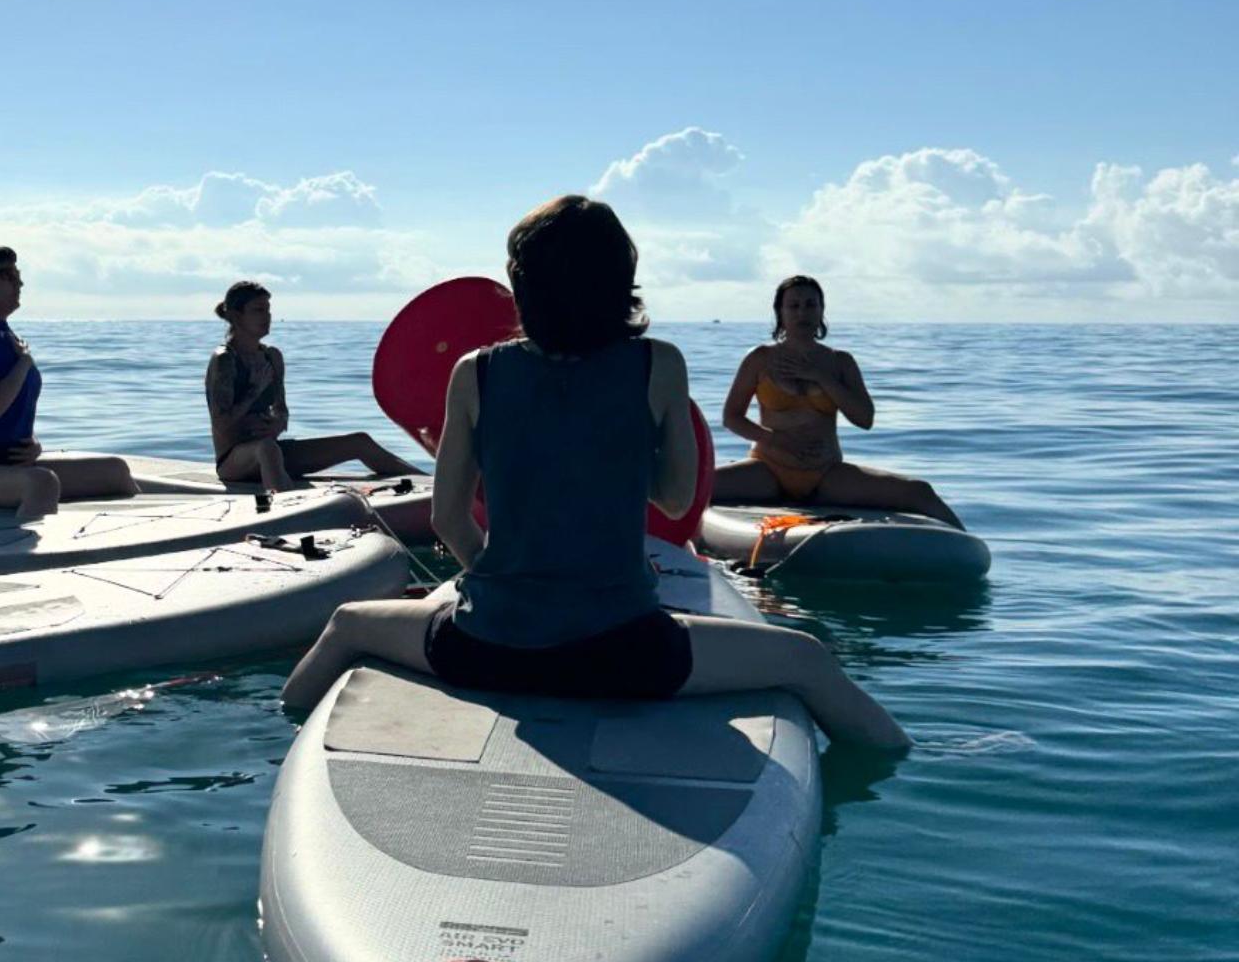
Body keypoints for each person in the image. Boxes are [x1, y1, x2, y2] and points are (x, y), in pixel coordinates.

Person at [279, 196, 909, 751]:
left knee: (347, 626)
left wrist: (500, 585)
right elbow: (674, 496)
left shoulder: (474, 370)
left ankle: (282, 747)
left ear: (521, 282)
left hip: (486, 646)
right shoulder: (658, 364)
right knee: (807, 661)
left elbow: (448, 519)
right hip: (626, 653)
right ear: (621, 280)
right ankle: (908, 763)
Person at [713, 275, 963, 527]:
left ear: (822, 310)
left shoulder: (840, 362)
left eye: (811, 305)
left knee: (919, 491)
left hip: (826, 475)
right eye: (794, 306)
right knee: (691, 486)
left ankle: (972, 552)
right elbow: (731, 417)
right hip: (767, 470)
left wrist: (821, 377)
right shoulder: (760, 358)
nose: (803, 313)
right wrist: (776, 439)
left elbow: (864, 419)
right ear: (780, 312)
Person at [0, 245, 137, 518]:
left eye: (18, 275)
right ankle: (35, 557)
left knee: (115, 471)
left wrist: (33, 444)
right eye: (8, 276)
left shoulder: (5, 335)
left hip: (18, 465)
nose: (19, 282)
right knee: (43, 483)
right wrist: (24, 363)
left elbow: (13, 415)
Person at [206, 280, 423, 490]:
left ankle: (433, 485)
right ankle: (287, 509)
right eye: (258, 310)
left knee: (359, 442)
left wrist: (278, 424)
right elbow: (221, 423)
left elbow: (281, 410)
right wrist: (254, 390)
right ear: (236, 315)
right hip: (234, 462)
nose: (268, 317)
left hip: (273, 451)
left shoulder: (272, 357)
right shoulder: (225, 359)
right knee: (267, 449)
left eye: (268, 310)